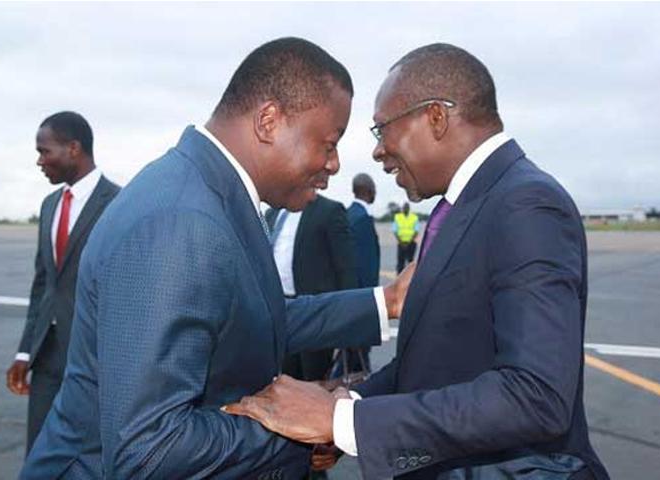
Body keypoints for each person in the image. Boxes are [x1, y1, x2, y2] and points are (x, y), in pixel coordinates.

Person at [20, 38, 411, 480]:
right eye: (329, 143)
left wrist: (387, 301)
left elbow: (254, 318)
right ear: (268, 120)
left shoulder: (213, 194)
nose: (335, 164)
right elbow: (149, 450)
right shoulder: (180, 220)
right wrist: (304, 428)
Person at [225, 43, 610, 480]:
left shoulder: (526, 204)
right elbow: (433, 363)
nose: (377, 151)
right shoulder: (463, 207)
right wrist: (346, 404)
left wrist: (344, 423)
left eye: (382, 129)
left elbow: (536, 395)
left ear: (436, 117)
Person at [5, 111, 119, 454]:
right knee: (39, 453)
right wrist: (25, 351)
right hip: (47, 355)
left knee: (89, 456)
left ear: (73, 148)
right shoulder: (50, 205)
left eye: (45, 151)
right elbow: (43, 285)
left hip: (94, 357)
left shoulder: (119, 204)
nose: (39, 161)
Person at [267, 194, 358, 383]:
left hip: (315, 312)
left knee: (314, 379)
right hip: (281, 309)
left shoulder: (329, 211)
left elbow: (345, 267)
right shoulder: (272, 214)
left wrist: (349, 317)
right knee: (284, 380)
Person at [342, 173, 381, 373]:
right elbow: (366, 268)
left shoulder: (346, 215)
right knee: (358, 360)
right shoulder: (362, 219)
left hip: (345, 297)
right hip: (361, 299)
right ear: (369, 191)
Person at [393, 201, 419, 273]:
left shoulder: (414, 217)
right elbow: (395, 231)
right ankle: (399, 276)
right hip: (401, 243)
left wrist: (409, 242)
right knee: (400, 262)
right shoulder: (397, 217)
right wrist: (401, 242)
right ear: (402, 208)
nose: (406, 209)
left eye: (407, 207)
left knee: (410, 262)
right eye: (404, 207)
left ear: (409, 208)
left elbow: (416, 231)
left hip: (411, 243)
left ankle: (410, 277)